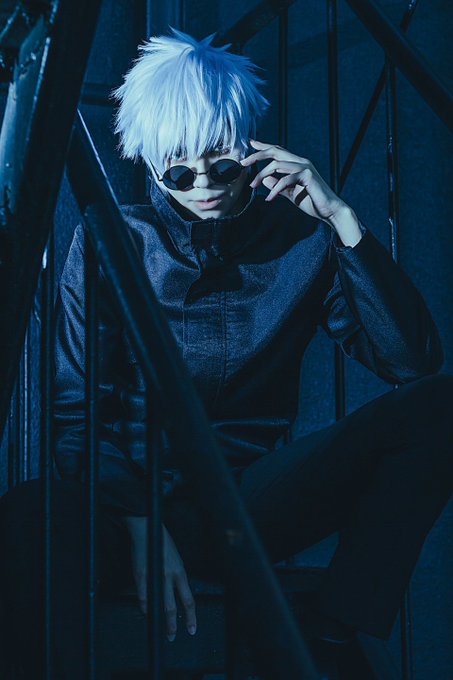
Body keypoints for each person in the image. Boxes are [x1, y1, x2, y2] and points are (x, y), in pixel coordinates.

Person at [1, 26, 452, 678]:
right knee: (26, 515)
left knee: (441, 405)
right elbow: (76, 407)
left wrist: (341, 220)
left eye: (221, 162)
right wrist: (141, 519)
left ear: (250, 147)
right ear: (150, 163)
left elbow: (412, 362)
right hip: (124, 506)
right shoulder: (113, 239)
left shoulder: (302, 239)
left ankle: (334, 628)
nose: (203, 183)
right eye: (177, 169)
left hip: (249, 502)